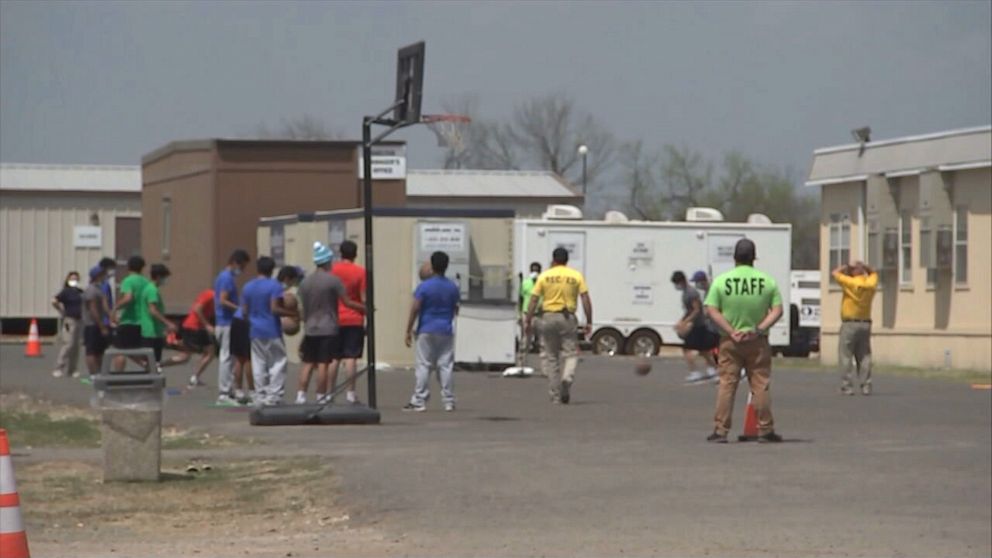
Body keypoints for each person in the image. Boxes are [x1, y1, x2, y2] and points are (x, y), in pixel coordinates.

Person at [703, 238, 784, 443]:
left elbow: (711, 309)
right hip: (757, 340)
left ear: (735, 257)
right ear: (754, 258)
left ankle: (721, 430)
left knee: (727, 384)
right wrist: (759, 329)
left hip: (730, 341)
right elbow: (777, 310)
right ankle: (765, 429)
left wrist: (730, 330)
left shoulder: (722, 281)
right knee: (760, 385)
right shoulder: (767, 281)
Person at [297, 243, 366, 404]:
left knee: (308, 362)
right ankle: (324, 395)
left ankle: (301, 395)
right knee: (325, 362)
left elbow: (303, 307)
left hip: (311, 326)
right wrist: (365, 309)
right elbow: (348, 301)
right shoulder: (334, 280)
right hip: (330, 325)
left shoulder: (306, 283)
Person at [525, 247, 593, 405]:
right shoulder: (576, 276)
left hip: (548, 316)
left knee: (552, 357)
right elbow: (585, 299)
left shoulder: (545, 276)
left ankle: (555, 395)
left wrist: (528, 320)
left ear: (554, 260)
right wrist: (589, 321)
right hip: (567, 316)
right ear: (567, 260)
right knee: (571, 353)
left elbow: (534, 300)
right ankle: (567, 378)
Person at [403, 251, 461, 412]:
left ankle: (419, 400)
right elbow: (456, 308)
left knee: (423, 365)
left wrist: (408, 330)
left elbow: (415, 308)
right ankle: (448, 400)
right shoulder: (452, 286)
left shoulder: (424, 286)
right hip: (446, 329)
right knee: (445, 365)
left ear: (432, 266)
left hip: (427, 328)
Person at [242, 256, 297, 407]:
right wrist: (293, 314)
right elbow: (275, 308)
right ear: (272, 270)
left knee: (258, 363)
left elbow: (245, 311)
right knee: (278, 362)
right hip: (271, 329)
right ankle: (274, 396)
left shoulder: (248, 286)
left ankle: (260, 395)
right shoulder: (274, 286)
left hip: (255, 330)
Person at [329, 240, 368, 405]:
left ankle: (329, 393)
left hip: (334, 317)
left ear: (340, 253)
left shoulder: (332, 270)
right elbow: (364, 297)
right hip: (354, 318)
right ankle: (350, 393)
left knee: (333, 358)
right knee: (351, 357)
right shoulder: (360, 272)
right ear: (355, 254)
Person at [832, 261, 878, 395]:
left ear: (852, 272)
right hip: (865, 322)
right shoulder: (870, 283)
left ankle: (847, 386)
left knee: (846, 355)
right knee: (864, 355)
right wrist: (865, 265)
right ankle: (866, 385)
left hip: (849, 323)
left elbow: (835, 273)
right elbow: (874, 272)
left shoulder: (849, 282)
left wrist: (846, 266)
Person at [214, 249, 251, 406]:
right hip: (226, 322)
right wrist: (239, 308)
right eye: (242, 266)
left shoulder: (224, 277)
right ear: (236, 262)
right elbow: (222, 300)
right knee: (227, 357)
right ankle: (224, 393)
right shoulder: (226, 278)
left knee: (230, 357)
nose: (242, 270)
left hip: (225, 322)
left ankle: (229, 390)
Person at [671, 271, 719, 383]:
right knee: (703, 350)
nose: (676, 286)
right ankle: (714, 369)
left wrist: (685, 322)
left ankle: (695, 372)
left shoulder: (691, 293)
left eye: (676, 283)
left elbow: (697, 310)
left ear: (681, 281)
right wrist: (681, 321)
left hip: (698, 325)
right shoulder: (686, 293)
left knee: (687, 349)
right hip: (698, 325)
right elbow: (688, 311)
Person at [111, 256, 150, 371]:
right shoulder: (146, 282)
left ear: (128, 266)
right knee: (137, 348)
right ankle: (147, 366)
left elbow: (128, 298)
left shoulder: (128, 280)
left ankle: (118, 377)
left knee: (120, 350)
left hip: (129, 320)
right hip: (142, 321)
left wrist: (115, 308)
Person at [140, 264, 180, 369]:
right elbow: (153, 310)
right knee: (154, 362)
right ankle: (151, 383)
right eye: (164, 277)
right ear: (158, 277)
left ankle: (150, 382)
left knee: (152, 363)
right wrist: (168, 323)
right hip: (151, 331)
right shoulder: (152, 290)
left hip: (153, 330)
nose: (165, 280)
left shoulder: (149, 288)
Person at [177, 288, 217, 388]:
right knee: (209, 352)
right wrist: (207, 325)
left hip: (196, 327)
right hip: (194, 327)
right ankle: (194, 377)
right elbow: (197, 309)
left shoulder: (216, 298)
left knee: (186, 356)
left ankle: (195, 377)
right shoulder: (210, 294)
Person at [51, 271, 84, 378]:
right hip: (70, 320)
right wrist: (61, 311)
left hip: (80, 320)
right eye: (72, 279)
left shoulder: (80, 292)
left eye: (76, 279)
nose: (74, 281)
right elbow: (54, 301)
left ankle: (72, 369)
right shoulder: (66, 292)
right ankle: (59, 367)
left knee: (76, 346)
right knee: (68, 344)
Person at [82, 266, 113, 376]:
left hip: (99, 324)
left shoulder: (100, 288)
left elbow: (105, 306)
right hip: (92, 325)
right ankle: (93, 375)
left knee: (100, 351)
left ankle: (100, 373)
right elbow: (93, 309)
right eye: (102, 274)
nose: (105, 276)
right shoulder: (91, 289)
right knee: (91, 351)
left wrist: (111, 318)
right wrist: (102, 326)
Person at [519, 262, 543, 357]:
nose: (535, 272)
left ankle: (543, 354)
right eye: (533, 270)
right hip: (526, 312)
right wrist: (519, 313)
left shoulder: (542, 283)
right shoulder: (525, 282)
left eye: (537, 270)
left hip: (540, 314)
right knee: (526, 336)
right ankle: (523, 355)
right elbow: (521, 297)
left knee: (542, 336)